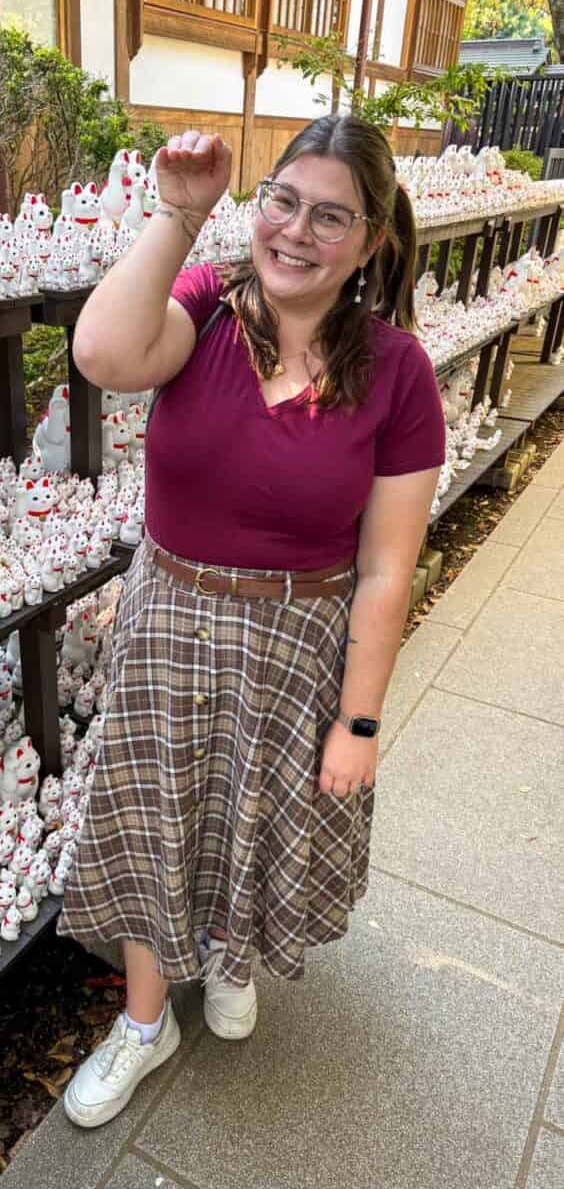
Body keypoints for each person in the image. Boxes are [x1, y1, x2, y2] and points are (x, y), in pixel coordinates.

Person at [57, 114, 445, 1129]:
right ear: (258, 203)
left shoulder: (397, 371)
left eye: (331, 217)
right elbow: (102, 352)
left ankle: (232, 957)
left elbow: (387, 568)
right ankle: (146, 1023)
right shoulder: (204, 309)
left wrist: (359, 722)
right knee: (154, 822)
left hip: (298, 639)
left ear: (369, 241)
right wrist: (182, 217)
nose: (296, 231)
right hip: (170, 613)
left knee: (256, 820)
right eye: (282, 201)